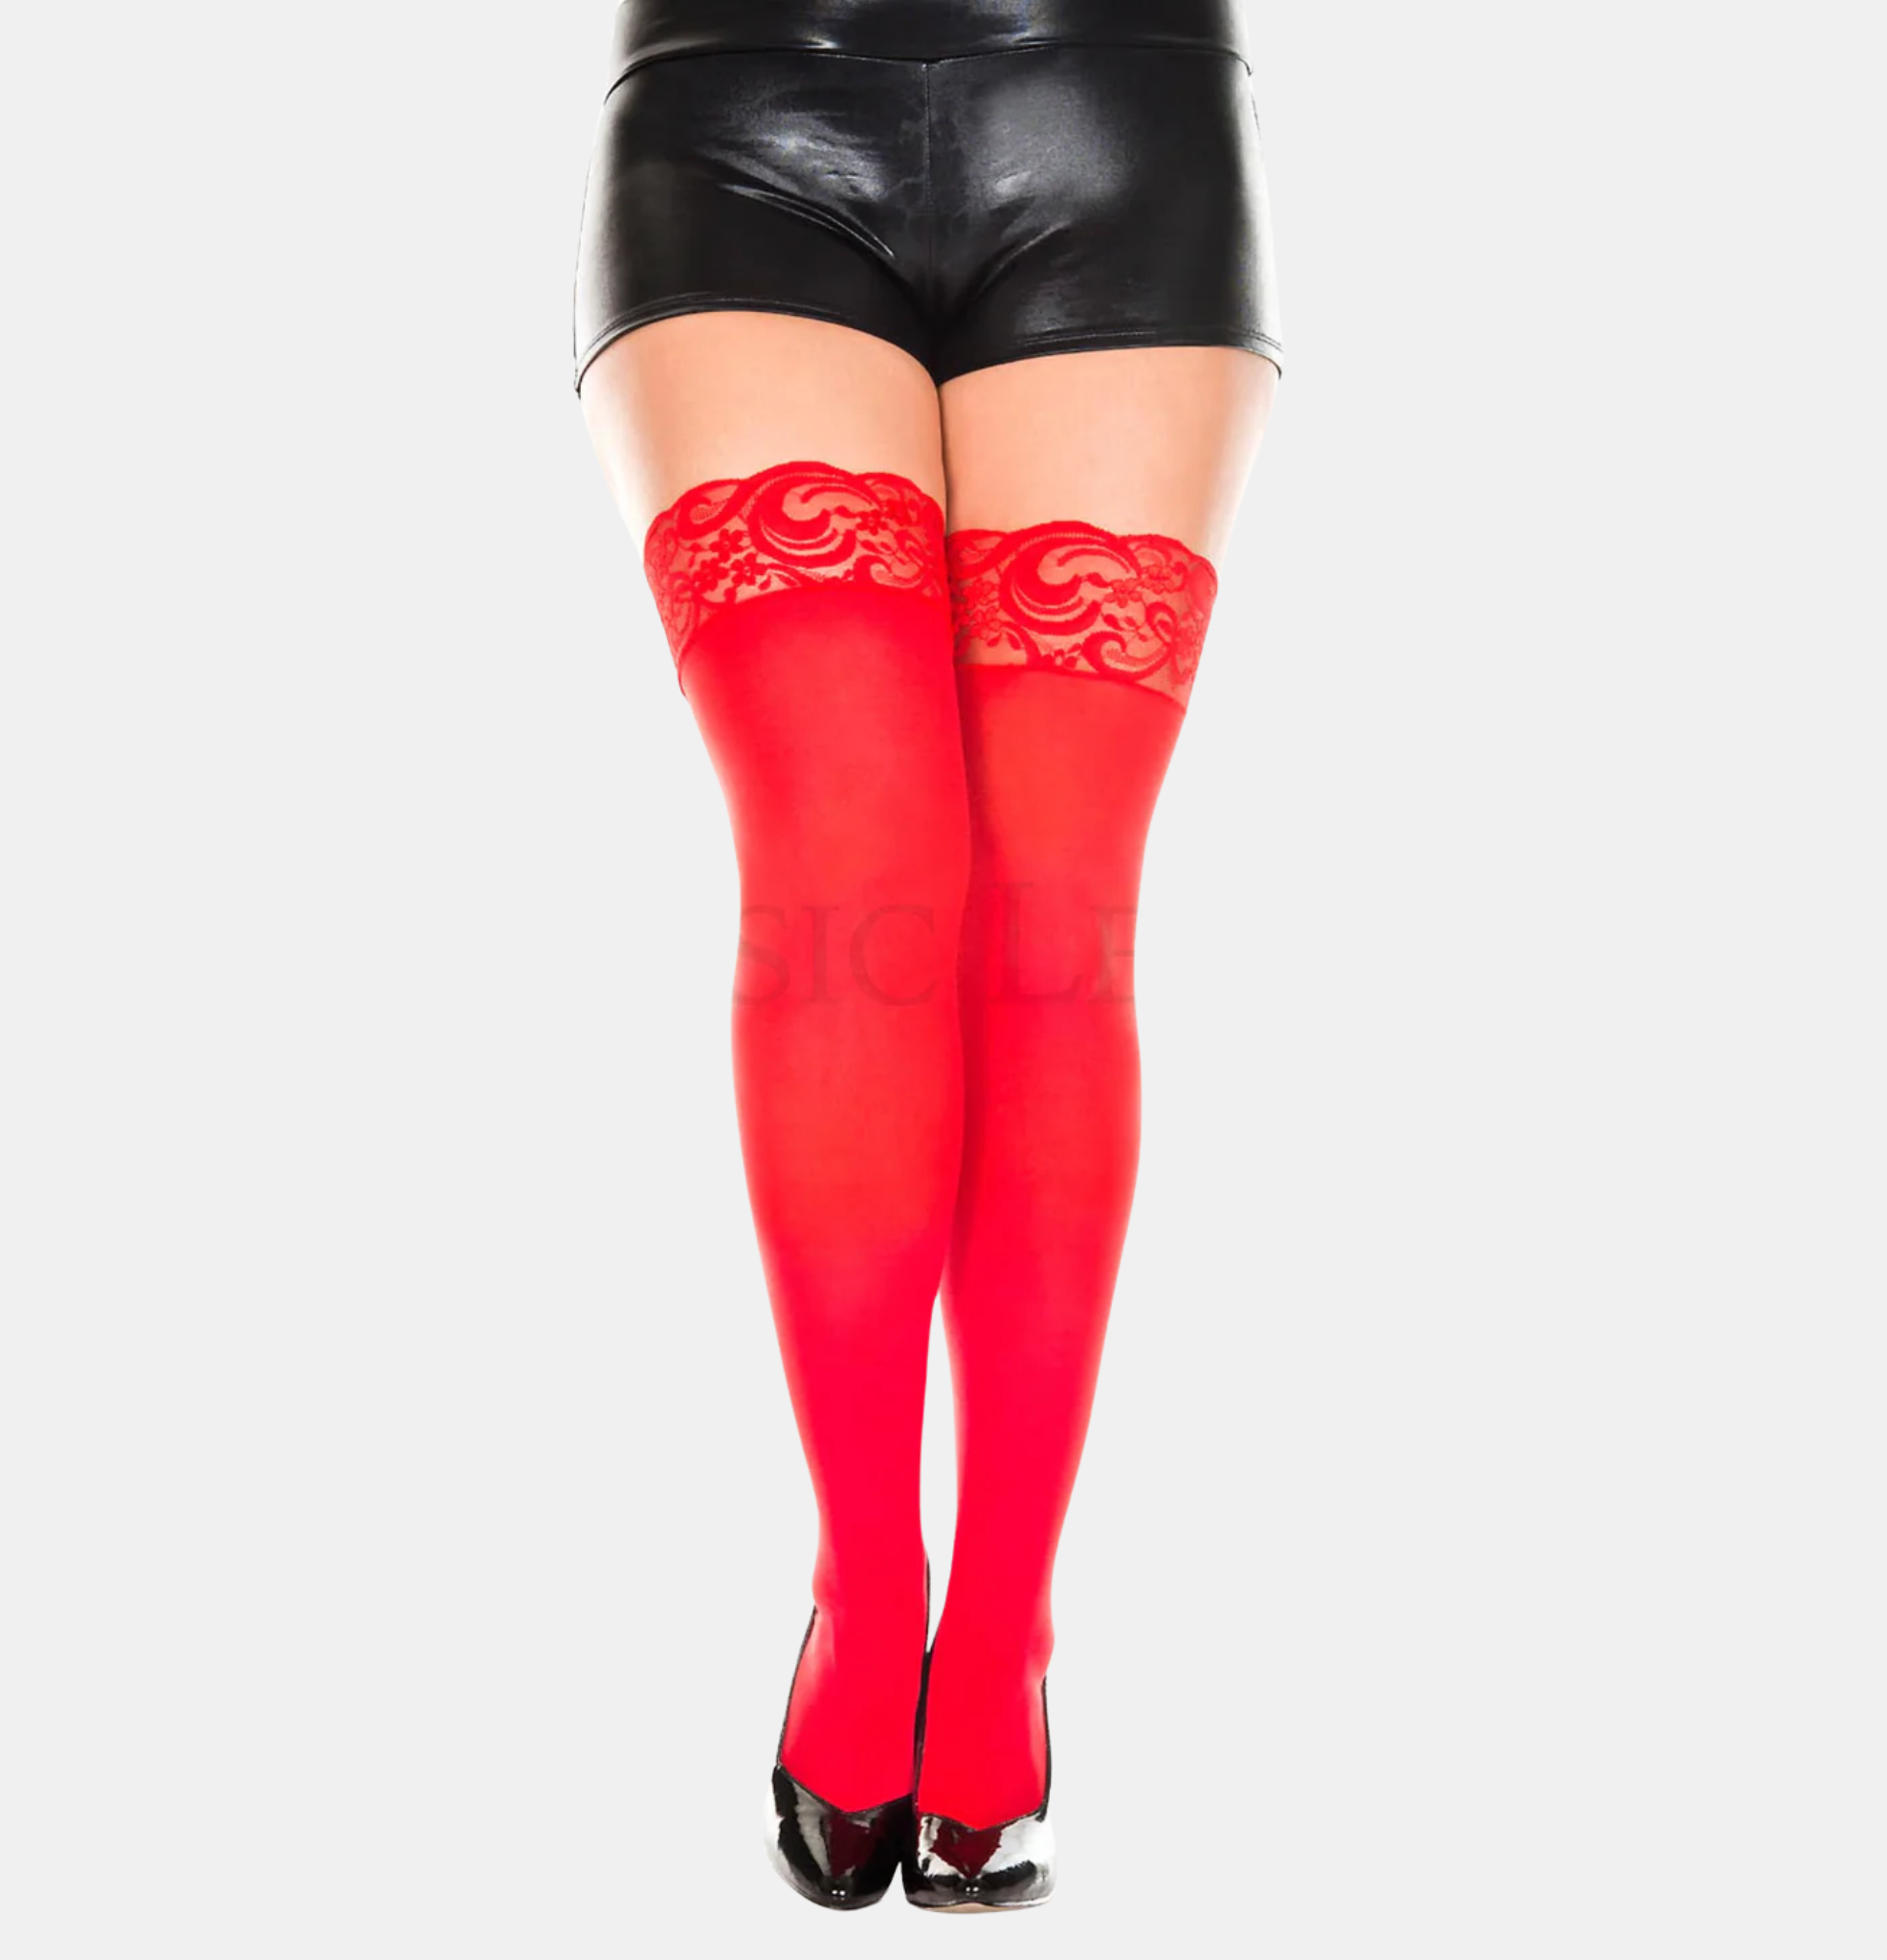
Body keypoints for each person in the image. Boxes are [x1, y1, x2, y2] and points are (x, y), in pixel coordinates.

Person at [572, 0, 1280, 1912]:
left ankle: (1005, 1630)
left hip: (1114, 98)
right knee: (851, 872)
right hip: (733, 106)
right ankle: (870, 1591)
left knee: (1050, 918)